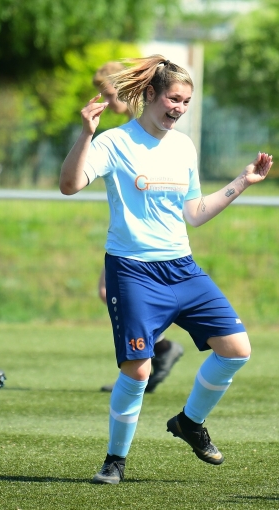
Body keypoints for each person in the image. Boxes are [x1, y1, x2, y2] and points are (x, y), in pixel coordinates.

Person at [60, 55, 274, 484]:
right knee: (137, 370)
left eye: (187, 102)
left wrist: (242, 182)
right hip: (133, 271)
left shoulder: (183, 147)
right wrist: (86, 135)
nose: (179, 108)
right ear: (151, 95)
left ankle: (189, 423)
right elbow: (70, 184)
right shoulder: (115, 142)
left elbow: (194, 213)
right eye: (173, 98)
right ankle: (114, 460)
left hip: (182, 268)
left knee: (237, 349)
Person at [93, 61, 185, 394]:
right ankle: (155, 351)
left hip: (148, 237)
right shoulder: (130, 127)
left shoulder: (142, 120)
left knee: (116, 292)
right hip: (133, 230)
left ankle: (155, 351)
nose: (105, 100)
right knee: (109, 292)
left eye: (106, 93)